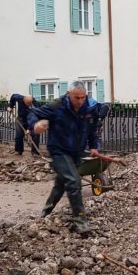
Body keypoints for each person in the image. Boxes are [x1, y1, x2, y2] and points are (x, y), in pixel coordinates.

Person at [28, 82, 100, 234]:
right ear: (69, 94)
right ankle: (81, 222)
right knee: (74, 181)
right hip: (59, 150)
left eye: (82, 97)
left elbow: (93, 128)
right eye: (76, 97)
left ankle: (46, 212)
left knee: (61, 183)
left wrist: (94, 146)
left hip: (77, 151)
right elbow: (34, 113)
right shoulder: (57, 106)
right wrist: (36, 124)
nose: (80, 101)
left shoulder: (89, 107)